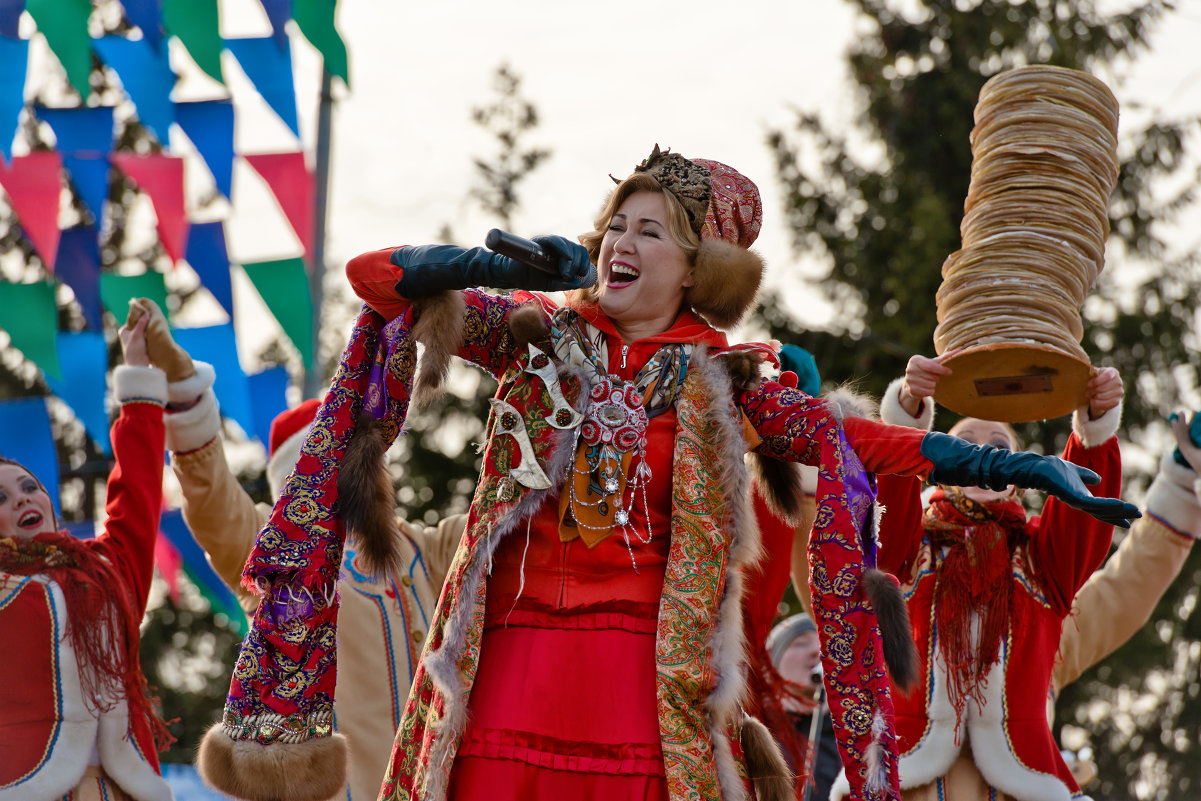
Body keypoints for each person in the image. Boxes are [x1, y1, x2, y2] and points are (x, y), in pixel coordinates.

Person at [197, 146, 1136, 801]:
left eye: (651, 232)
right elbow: (372, 279)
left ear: (693, 269)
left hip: (639, 685)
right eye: (617, 224)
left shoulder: (720, 378)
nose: (621, 241)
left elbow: (846, 441)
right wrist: (472, 264)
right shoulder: (533, 332)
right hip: (507, 662)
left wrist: (988, 460)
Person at [137, 301, 462, 801]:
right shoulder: (278, 548)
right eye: (336, 457)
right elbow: (211, 502)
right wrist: (186, 399)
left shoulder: (422, 548)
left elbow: (503, 511)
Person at [827, 353, 1126, 801]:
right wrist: (908, 413)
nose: (981, 453)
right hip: (906, 780)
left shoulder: (1040, 559)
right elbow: (884, 501)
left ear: (1020, 479)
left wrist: (1095, 424)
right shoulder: (911, 547)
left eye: (999, 447)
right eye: (963, 443)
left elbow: (1085, 510)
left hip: (1022, 783)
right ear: (936, 467)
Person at [0, 300, 174, 801]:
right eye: (2, 497)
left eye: (30, 486)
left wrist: (138, 374)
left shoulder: (105, 569)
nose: (23, 498)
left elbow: (137, 495)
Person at [766, 613, 842, 801]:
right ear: (769, 662)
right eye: (800, 643)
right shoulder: (750, 732)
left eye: (823, 642)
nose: (817, 651)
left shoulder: (854, 738)